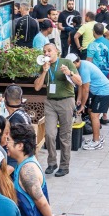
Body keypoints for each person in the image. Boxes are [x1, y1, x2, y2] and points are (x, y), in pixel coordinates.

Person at [33, 42, 81, 178]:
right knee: (49, 134)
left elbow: (79, 82)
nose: (46, 53)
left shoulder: (66, 62)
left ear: (56, 52)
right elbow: (37, 87)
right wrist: (44, 71)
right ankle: (52, 162)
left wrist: (69, 72)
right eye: (44, 51)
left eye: (49, 50)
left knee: (65, 136)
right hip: (50, 102)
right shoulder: (44, 65)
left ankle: (64, 166)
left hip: (66, 101)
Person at [76, 54, 109, 151]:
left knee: (94, 115)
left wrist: (82, 105)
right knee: (90, 111)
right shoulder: (81, 65)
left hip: (104, 92)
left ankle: (96, 142)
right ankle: (97, 136)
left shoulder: (84, 69)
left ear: (76, 62)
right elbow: (81, 84)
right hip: (98, 92)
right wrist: (79, 99)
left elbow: (86, 90)